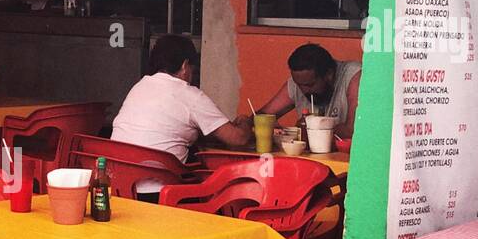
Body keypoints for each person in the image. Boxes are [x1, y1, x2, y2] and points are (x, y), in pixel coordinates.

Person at [111, 35, 251, 169]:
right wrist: (245, 120)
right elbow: (238, 139)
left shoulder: (140, 86)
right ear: (185, 66)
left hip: (119, 182)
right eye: (192, 69)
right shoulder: (190, 95)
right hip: (161, 188)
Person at [254, 42, 361, 138]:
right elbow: (262, 116)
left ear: (329, 74)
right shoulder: (300, 81)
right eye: (299, 85)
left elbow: (353, 130)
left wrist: (313, 127)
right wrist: (246, 125)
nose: (304, 91)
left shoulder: (353, 76)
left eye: (310, 85)